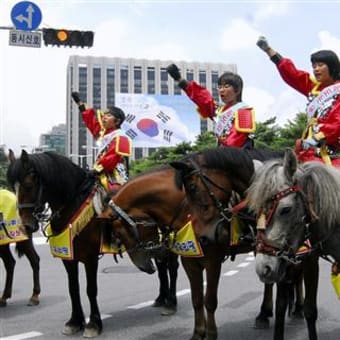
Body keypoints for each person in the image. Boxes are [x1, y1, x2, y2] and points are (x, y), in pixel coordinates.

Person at [257, 36, 340, 166]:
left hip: (331, 151)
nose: (316, 69)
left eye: (320, 65)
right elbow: (292, 73)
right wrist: (269, 51)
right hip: (307, 149)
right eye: (314, 66)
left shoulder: (338, 90)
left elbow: (337, 122)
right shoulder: (313, 88)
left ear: (332, 66)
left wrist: (317, 138)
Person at [166, 64, 256, 148]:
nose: (221, 90)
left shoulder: (244, 111)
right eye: (220, 87)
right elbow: (203, 98)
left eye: (226, 86)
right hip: (222, 155)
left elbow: (235, 141)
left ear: (238, 90)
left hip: (241, 156)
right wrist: (179, 79)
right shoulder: (219, 110)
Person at [71, 91, 132, 192]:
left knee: (113, 192)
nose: (104, 117)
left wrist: (96, 170)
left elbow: (112, 157)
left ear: (117, 121)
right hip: (100, 170)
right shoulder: (105, 134)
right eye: (104, 115)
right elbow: (92, 122)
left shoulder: (121, 137)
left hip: (114, 173)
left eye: (108, 116)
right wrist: (80, 104)